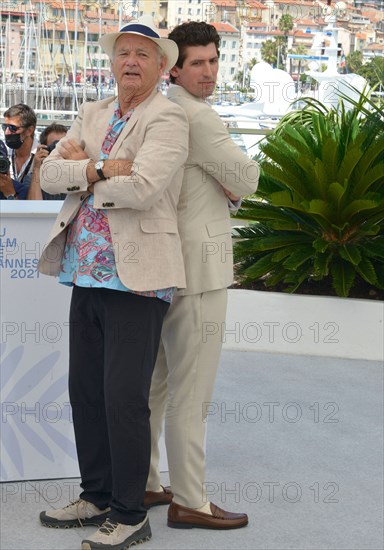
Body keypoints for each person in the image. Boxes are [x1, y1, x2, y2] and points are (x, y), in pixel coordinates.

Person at [38, 16, 189, 550]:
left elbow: (144, 188)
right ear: (112, 60)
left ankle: (130, 512)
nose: (130, 61)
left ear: (162, 66)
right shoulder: (92, 111)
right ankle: (97, 495)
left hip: (139, 279)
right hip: (84, 272)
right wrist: (104, 168)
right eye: (123, 53)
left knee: (124, 396)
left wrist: (87, 167)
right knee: (87, 393)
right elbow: (49, 175)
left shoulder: (168, 119)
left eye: (143, 55)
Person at [146, 21, 260, 529]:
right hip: (202, 270)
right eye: (199, 63)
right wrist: (226, 181)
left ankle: (147, 481)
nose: (210, 72)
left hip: (159, 266)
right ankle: (190, 499)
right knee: (192, 392)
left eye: (214, 61)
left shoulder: (156, 109)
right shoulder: (199, 117)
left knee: (156, 386)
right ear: (175, 67)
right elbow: (248, 178)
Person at [1, 103, 38, 199]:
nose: (7, 132)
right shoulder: (3, 154)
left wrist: (10, 192)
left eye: (13, 128)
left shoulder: (42, 157)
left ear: (29, 131)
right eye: (5, 127)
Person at [28, 123, 68, 200]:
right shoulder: (32, 178)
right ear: (44, 149)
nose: (60, 151)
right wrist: (37, 168)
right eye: (55, 146)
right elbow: (34, 207)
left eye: (64, 145)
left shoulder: (77, 174)